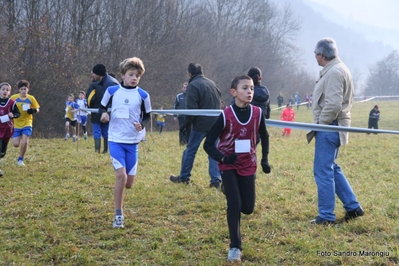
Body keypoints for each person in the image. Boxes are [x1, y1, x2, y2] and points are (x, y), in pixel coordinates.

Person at [203, 75, 271, 262]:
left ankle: (228, 189)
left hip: (248, 164)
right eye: (245, 88)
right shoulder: (225, 115)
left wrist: (265, 159)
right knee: (235, 204)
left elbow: (264, 136)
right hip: (228, 164)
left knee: (247, 208)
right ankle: (235, 247)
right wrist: (224, 157)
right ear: (233, 92)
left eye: (251, 88)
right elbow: (208, 144)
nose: (250, 91)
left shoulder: (258, 113)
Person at [310, 38, 364, 225]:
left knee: (323, 170)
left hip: (329, 126)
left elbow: (332, 104)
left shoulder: (333, 72)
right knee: (331, 167)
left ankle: (326, 216)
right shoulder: (339, 68)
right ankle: (353, 207)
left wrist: (322, 124)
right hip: (335, 126)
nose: (315, 58)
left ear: (321, 55)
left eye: (315, 54)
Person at [99, 57, 151, 228]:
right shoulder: (112, 91)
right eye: (130, 74)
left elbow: (147, 115)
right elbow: (102, 107)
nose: (134, 78)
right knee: (121, 176)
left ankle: (120, 206)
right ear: (122, 75)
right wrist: (104, 114)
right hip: (115, 140)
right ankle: (118, 215)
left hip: (132, 143)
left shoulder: (143, 95)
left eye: (137, 75)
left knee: (128, 183)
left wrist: (141, 124)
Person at [169, 63, 222, 188]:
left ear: (190, 73)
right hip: (216, 124)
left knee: (190, 150)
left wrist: (186, 124)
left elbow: (191, 109)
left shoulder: (193, 85)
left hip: (200, 125)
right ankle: (216, 180)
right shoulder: (212, 83)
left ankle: (184, 177)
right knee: (213, 152)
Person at [87, 63, 119, 153]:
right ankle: (105, 150)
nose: (92, 75)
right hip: (105, 111)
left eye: (93, 73)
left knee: (98, 131)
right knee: (105, 131)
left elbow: (90, 99)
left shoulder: (109, 83)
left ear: (97, 74)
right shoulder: (107, 81)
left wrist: (94, 108)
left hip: (103, 112)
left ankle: (99, 151)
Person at [11, 80, 40, 166]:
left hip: (27, 122)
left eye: (25, 89)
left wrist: (34, 110)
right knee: (16, 144)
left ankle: (20, 159)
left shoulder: (31, 98)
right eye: (22, 89)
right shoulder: (13, 98)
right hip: (16, 123)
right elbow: (8, 107)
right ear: (19, 90)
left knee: (25, 142)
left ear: (28, 89)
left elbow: (38, 108)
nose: (23, 91)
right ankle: (19, 136)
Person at [0, 82, 20, 176]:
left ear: (9, 92)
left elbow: (17, 113)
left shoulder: (12, 103)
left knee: (3, 152)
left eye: (7, 90)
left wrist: (13, 115)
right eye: (3, 89)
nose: (5, 91)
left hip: (7, 129)